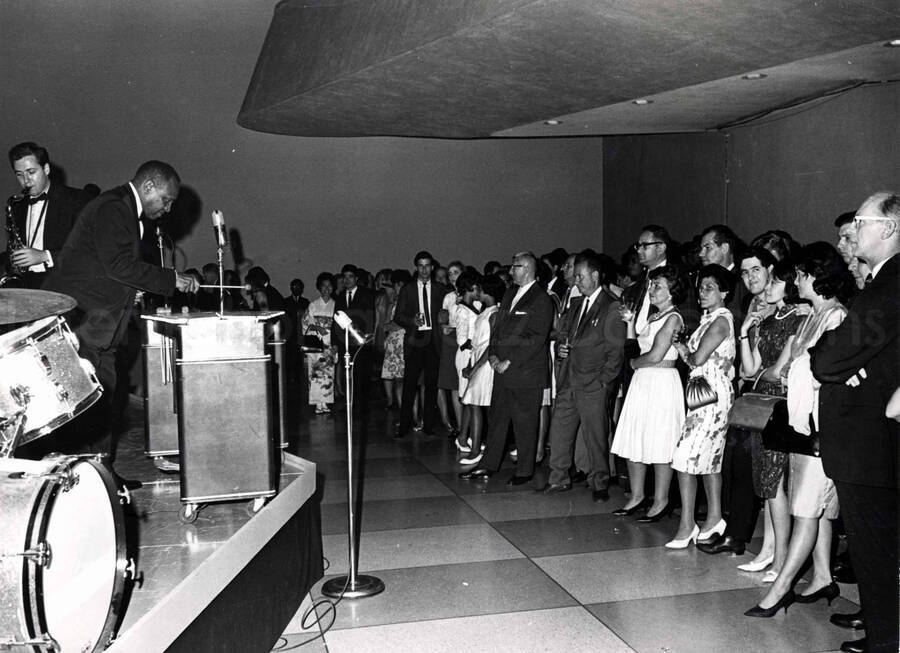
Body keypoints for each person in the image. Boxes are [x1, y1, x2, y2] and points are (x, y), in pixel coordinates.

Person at [43, 161, 198, 484]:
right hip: (84, 323)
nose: (167, 209)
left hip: (101, 325)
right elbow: (118, 265)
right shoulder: (114, 208)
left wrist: (132, 294)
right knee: (87, 405)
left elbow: (106, 268)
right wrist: (171, 279)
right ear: (149, 187)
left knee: (103, 402)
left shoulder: (123, 210)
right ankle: (79, 479)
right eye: (166, 200)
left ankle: (100, 476)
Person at [744, 242, 853, 621]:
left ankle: (781, 588)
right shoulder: (813, 316)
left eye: (802, 275)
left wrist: (797, 373)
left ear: (816, 277)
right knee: (817, 508)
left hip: (823, 426)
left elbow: (829, 372)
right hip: (803, 422)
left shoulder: (836, 316)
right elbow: (791, 367)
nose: (796, 281)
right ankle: (822, 575)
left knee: (807, 507)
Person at [811, 192, 899, 653]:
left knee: (874, 543)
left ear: (887, 228)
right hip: (871, 433)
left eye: (861, 221)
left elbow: (827, 360)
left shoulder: (887, 286)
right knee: (876, 541)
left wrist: (836, 360)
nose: (852, 232)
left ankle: (886, 639)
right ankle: (882, 624)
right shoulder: (882, 284)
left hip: (868, 438)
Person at [725, 258, 805, 579]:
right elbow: (748, 368)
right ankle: (771, 553)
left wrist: (763, 373)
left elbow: (776, 369)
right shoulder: (769, 319)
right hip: (765, 404)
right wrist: (745, 331)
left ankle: (782, 558)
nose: (764, 288)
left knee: (774, 483)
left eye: (772, 282)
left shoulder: (800, 318)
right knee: (767, 480)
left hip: (783, 405)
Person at [698, 246, 777, 556]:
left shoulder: (788, 306)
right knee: (741, 464)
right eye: (744, 272)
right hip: (750, 390)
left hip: (773, 394)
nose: (749, 277)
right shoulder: (750, 304)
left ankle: (765, 544)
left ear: (771, 269)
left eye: (755, 270)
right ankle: (736, 533)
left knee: (769, 475)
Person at [459, 252, 554, 485]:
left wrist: (508, 361)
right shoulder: (510, 293)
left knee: (525, 423)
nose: (511, 271)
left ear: (528, 269)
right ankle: (488, 464)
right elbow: (498, 329)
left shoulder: (541, 298)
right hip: (501, 369)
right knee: (497, 419)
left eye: (515, 267)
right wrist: (492, 355)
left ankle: (524, 470)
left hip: (524, 372)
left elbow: (535, 337)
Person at [542, 251, 626, 501]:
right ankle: (557, 478)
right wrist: (561, 349)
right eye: (575, 275)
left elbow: (616, 350)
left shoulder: (611, 306)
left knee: (595, 435)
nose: (576, 280)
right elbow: (561, 336)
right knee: (560, 431)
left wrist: (603, 382)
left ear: (596, 276)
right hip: (569, 379)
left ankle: (599, 482)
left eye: (580, 275)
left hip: (593, 384)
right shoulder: (576, 305)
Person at [668, 265, 736, 548]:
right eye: (701, 288)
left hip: (711, 394)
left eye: (709, 288)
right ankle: (715, 517)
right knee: (709, 459)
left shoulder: (721, 320)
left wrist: (684, 349)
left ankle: (688, 524)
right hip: (703, 391)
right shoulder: (711, 319)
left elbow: (696, 359)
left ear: (724, 292)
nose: (702, 293)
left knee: (685, 458)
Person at [610, 265, 686, 518]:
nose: (652, 290)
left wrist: (632, 364)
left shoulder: (674, 318)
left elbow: (655, 354)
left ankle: (661, 501)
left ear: (672, 292)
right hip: (644, 381)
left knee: (660, 441)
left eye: (658, 287)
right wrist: (630, 323)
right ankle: (637, 495)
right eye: (652, 285)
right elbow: (635, 343)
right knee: (635, 438)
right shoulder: (654, 317)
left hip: (661, 381)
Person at [7, 142, 86, 288]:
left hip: (62, 284)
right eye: (20, 175)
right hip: (26, 285)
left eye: (31, 172)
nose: (26, 181)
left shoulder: (76, 200)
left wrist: (45, 256)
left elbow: (86, 250)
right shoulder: (17, 205)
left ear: (46, 169)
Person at [393, 251, 449, 438]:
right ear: (416, 267)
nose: (424, 269)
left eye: (427, 265)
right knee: (409, 384)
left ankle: (429, 425)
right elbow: (398, 316)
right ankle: (404, 426)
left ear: (432, 267)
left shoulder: (441, 289)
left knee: (431, 385)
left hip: (433, 341)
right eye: (420, 265)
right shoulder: (407, 289)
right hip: (415, 340)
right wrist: (412, 321)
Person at [459, 274, 505, 465]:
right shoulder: (486, 312)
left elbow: (491, 345)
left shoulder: (494, 313)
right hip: (478, 360)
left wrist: (476, 367)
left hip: (486, 365)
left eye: (479, 289)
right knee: (475, 404)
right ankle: (478, 446)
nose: (476, 292)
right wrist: (471, 365)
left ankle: (476, 449)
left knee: (476, 404)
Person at [332, 263, 377, 409]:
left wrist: (368, 336)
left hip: (361, 341)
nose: (347, 280)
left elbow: (371, 316)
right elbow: (336, 320)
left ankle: (361, 405)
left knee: (361, 375)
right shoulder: (339, 297)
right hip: (344, 342)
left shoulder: (366, 294)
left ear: (356, 278)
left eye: (350, 277)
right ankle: (349, 403)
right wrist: (334, 342)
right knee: (347, 373)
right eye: (344, 277)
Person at [452, 270, 481, 456]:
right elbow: (461, 340)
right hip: (466, 356)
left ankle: (467, 436)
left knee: (472, 399)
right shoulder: (462, 310)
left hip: (474, 355)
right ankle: (462, 437)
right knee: (469, 400)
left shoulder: (475, 305)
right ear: (470, 289)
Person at [302, 272, 337, 414]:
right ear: (319, 288)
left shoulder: (336, 305)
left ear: (333, 288)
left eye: (329, 286)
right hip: (316, 342)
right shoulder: (313, 305)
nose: (326, 289)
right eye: (323, 286)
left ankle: (326, 402)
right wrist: (317, 328)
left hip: (330, 342)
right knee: (316, 373)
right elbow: (305, 323)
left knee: (328, 374)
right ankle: (318, 403)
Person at [381, 269, 411, 413]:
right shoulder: (395, 302)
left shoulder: (407, 301)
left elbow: (403, 322)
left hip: (403, 342)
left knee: (401, 381)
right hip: (394, 342)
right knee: (398, 380)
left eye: (395, 285)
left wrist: (392, 324)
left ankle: (404, 413)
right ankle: (401, 411)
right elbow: (387, 324)